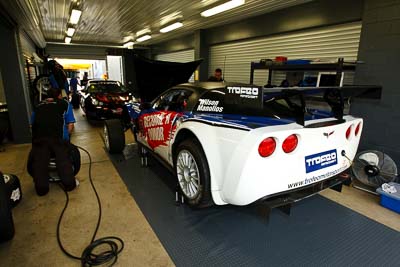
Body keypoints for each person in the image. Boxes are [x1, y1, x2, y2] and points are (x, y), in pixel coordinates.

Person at [30, 88, 76, 196]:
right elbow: (70, 125)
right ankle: (70, 185)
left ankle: (41, 190)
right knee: (63, 161)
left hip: (39, 138)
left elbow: (32, 124)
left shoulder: (38, 105)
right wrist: (67, 138)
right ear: (59, 95)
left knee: (39, 163)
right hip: (57, 138)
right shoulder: (64, 103)